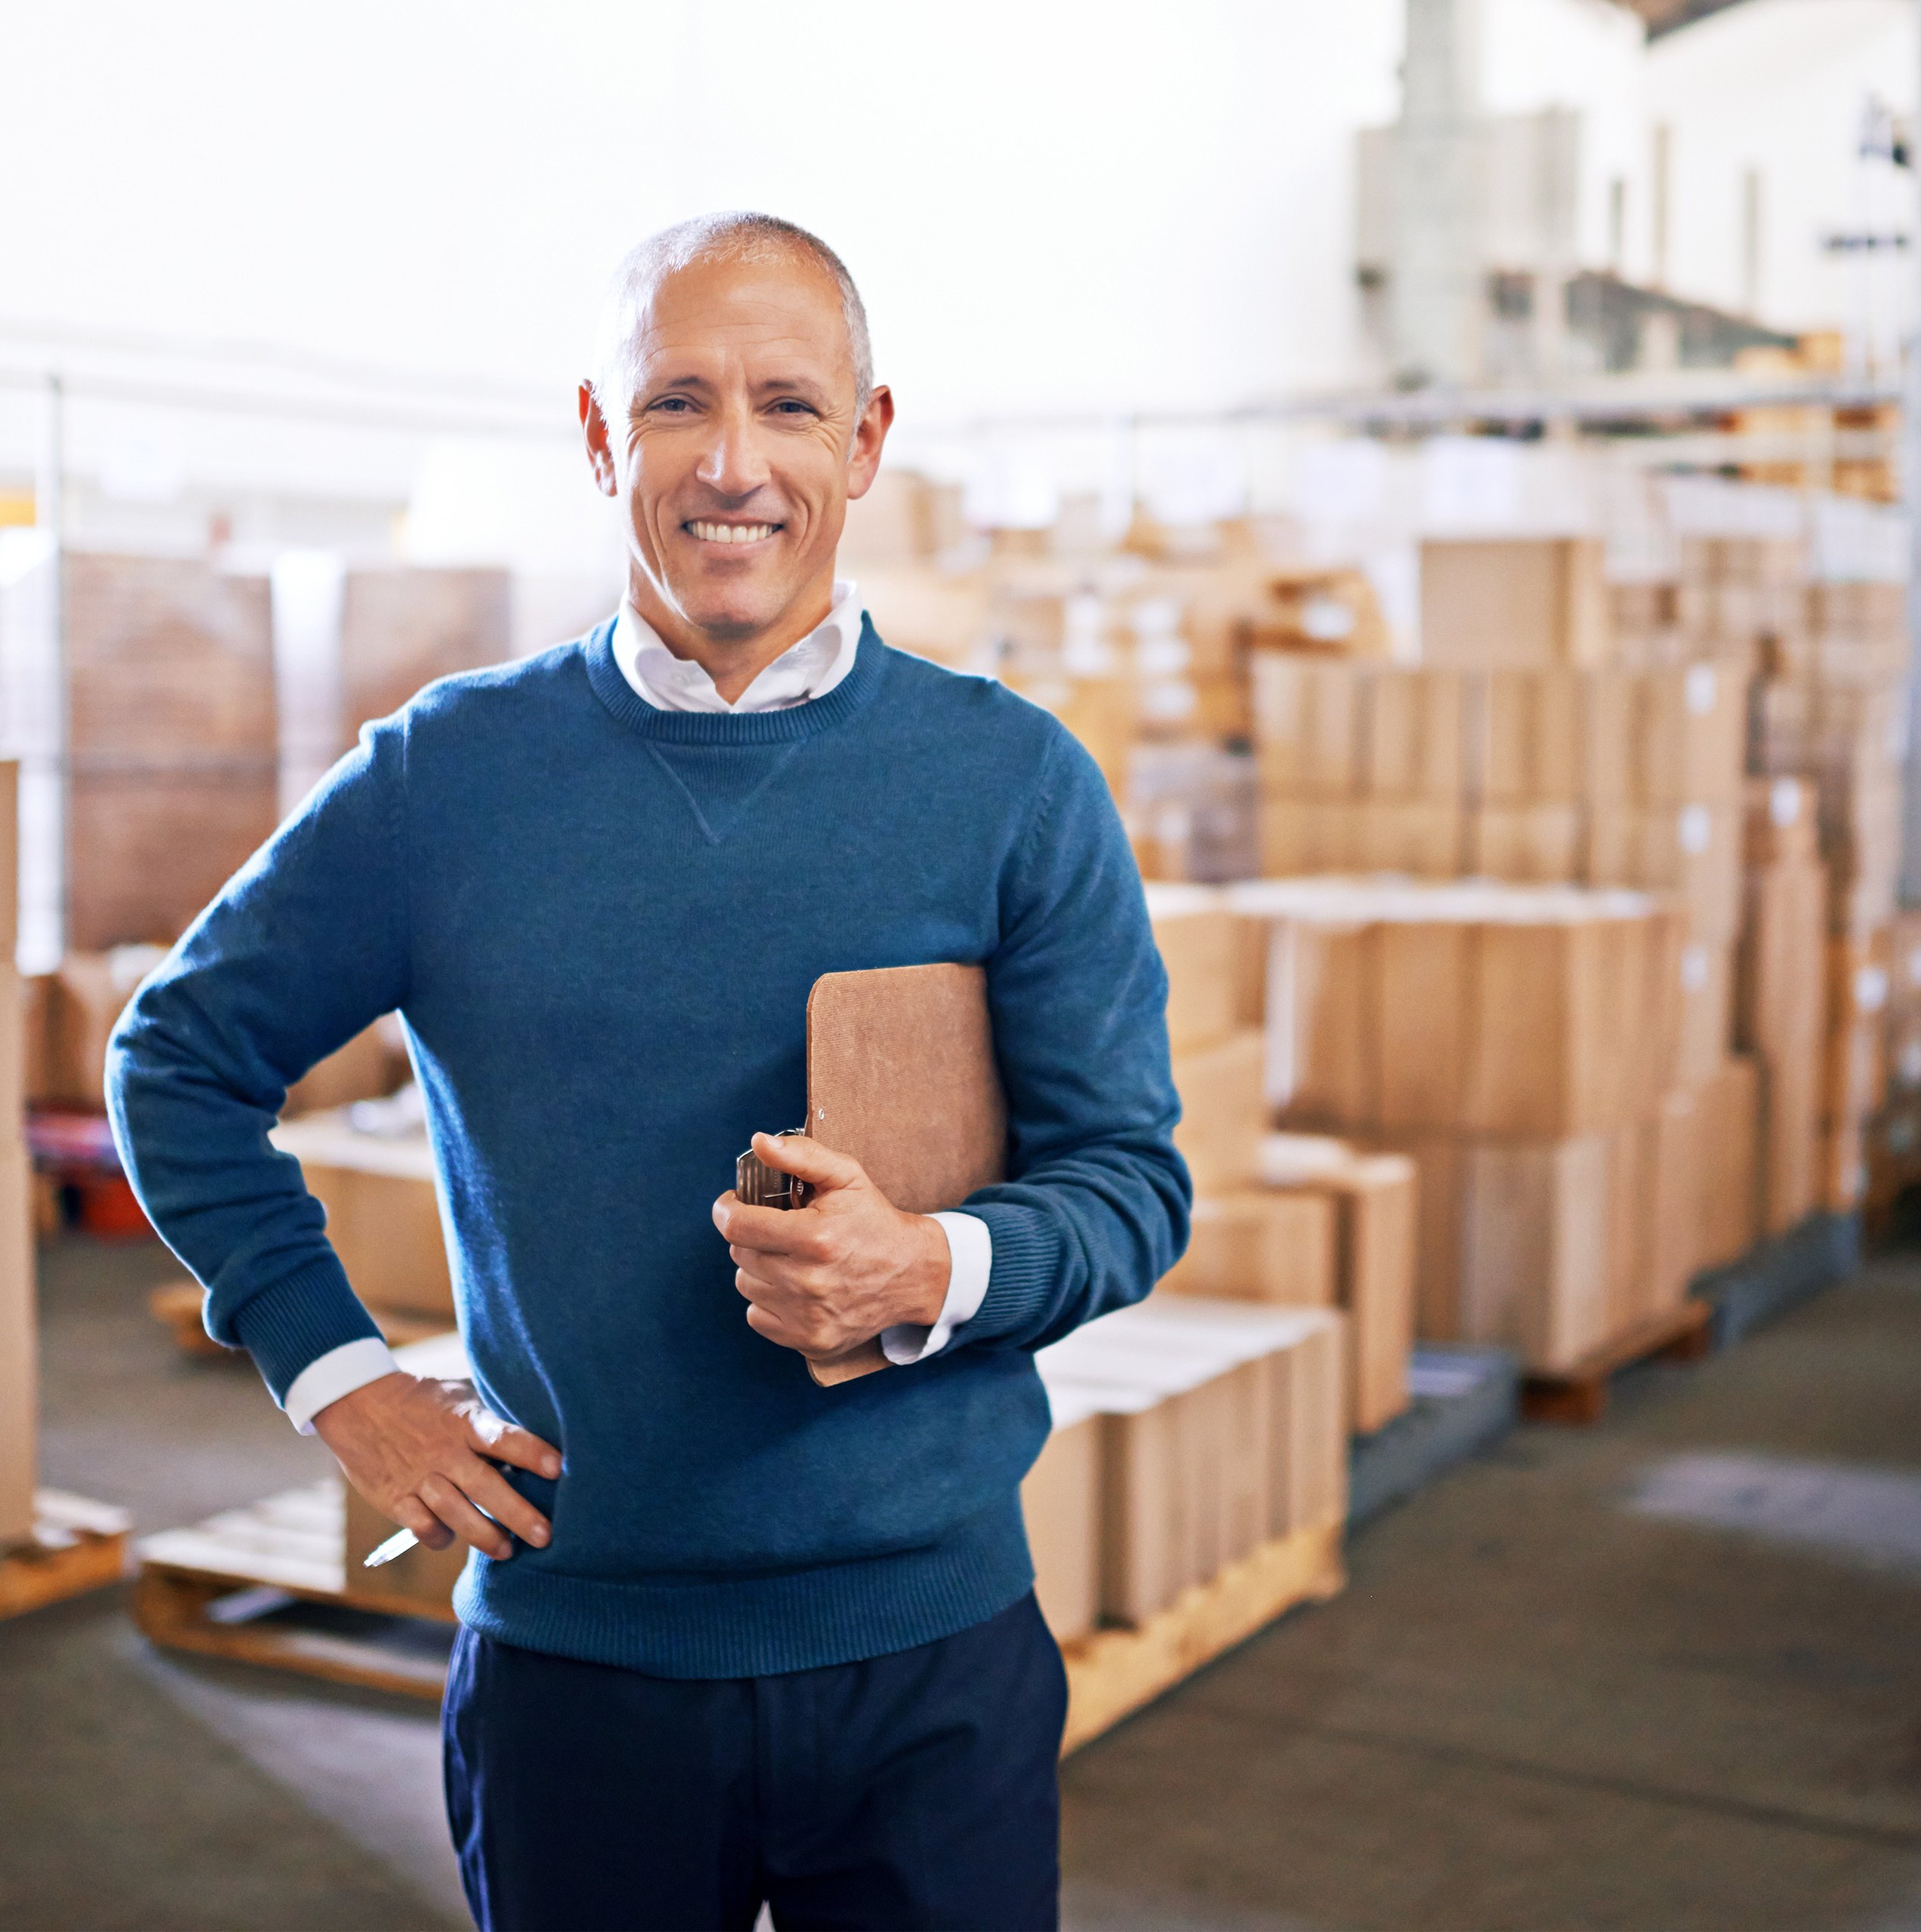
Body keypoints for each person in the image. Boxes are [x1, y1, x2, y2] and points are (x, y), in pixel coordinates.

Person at [109, 211, 1188, 1931]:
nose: (734, 463)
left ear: (868, 438)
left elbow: (1132, 1182)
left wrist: (929, 1263)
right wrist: (342, 1382)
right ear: (604, 437)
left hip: (929, 1665)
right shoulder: (445, 781)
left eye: (787, 404)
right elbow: (175, 1057)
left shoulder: (1010, 783)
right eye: (679, 402)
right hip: (579, 1667)